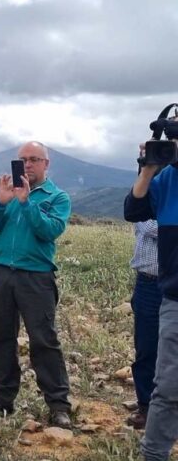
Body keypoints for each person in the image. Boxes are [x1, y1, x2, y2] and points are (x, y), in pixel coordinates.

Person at [0, 141, 72, 430]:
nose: (27, 165)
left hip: (36, 277)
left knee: (44, 341)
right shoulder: (11, 194)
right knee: (1, 336)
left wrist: (26, 202)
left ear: (46, 164)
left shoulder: (57, 197)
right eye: (22, 160)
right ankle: (1, 396)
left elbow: (49, 230)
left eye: (34, 159)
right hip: (4, 272)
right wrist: (1, 202)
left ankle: (58, 404)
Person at [124, 142, 178, 461]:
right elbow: (134, 210)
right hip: (173, 295)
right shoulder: (166, 179)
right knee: (168, 385)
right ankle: (154, 454)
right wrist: (148, 167)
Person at [125, 144, 162, 431]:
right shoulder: (148, 182)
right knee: (147, 347)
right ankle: (146, 405)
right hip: (150, 281)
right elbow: (144, 223)